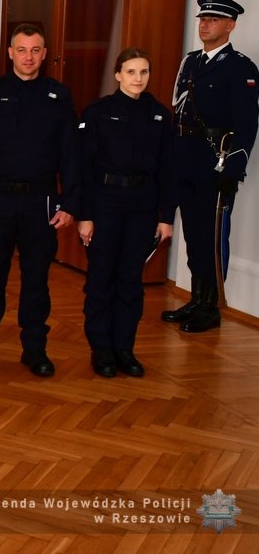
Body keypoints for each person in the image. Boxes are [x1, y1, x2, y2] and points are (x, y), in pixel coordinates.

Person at [0, 22, 78, 377]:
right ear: (10, 53)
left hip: (41, 202)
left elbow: (71, 154)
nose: (28, 57)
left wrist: (70, 202)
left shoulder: (59, 96)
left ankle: (35, 349)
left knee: (36, 280)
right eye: (22, 50)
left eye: (35, 50)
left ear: (45, 54)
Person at [77, 49, 176, 377]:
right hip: (106, 203)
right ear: (118, 74)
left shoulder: (159, 115)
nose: (138, 78)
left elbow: (167, 169)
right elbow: (85, 168)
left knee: (131, 281)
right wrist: (85, 216)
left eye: (144, 72)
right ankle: (101, 349)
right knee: (101, 278)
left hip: (142, 206)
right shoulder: (98, 112)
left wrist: (166, 217)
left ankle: (124, 348)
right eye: (131, 71)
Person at [164, 0, 258, 333]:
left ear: (230, 26)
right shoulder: (191, 62)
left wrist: (233, 169)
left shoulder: (241, 68)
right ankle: (197, 298)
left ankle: (211, 307)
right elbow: (178, 112)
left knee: (213, 236)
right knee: (193, 233)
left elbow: (247, 125)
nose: (205, 25)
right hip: (185, 159)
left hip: (214, 164)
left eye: (213, 20)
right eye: (203, 19)